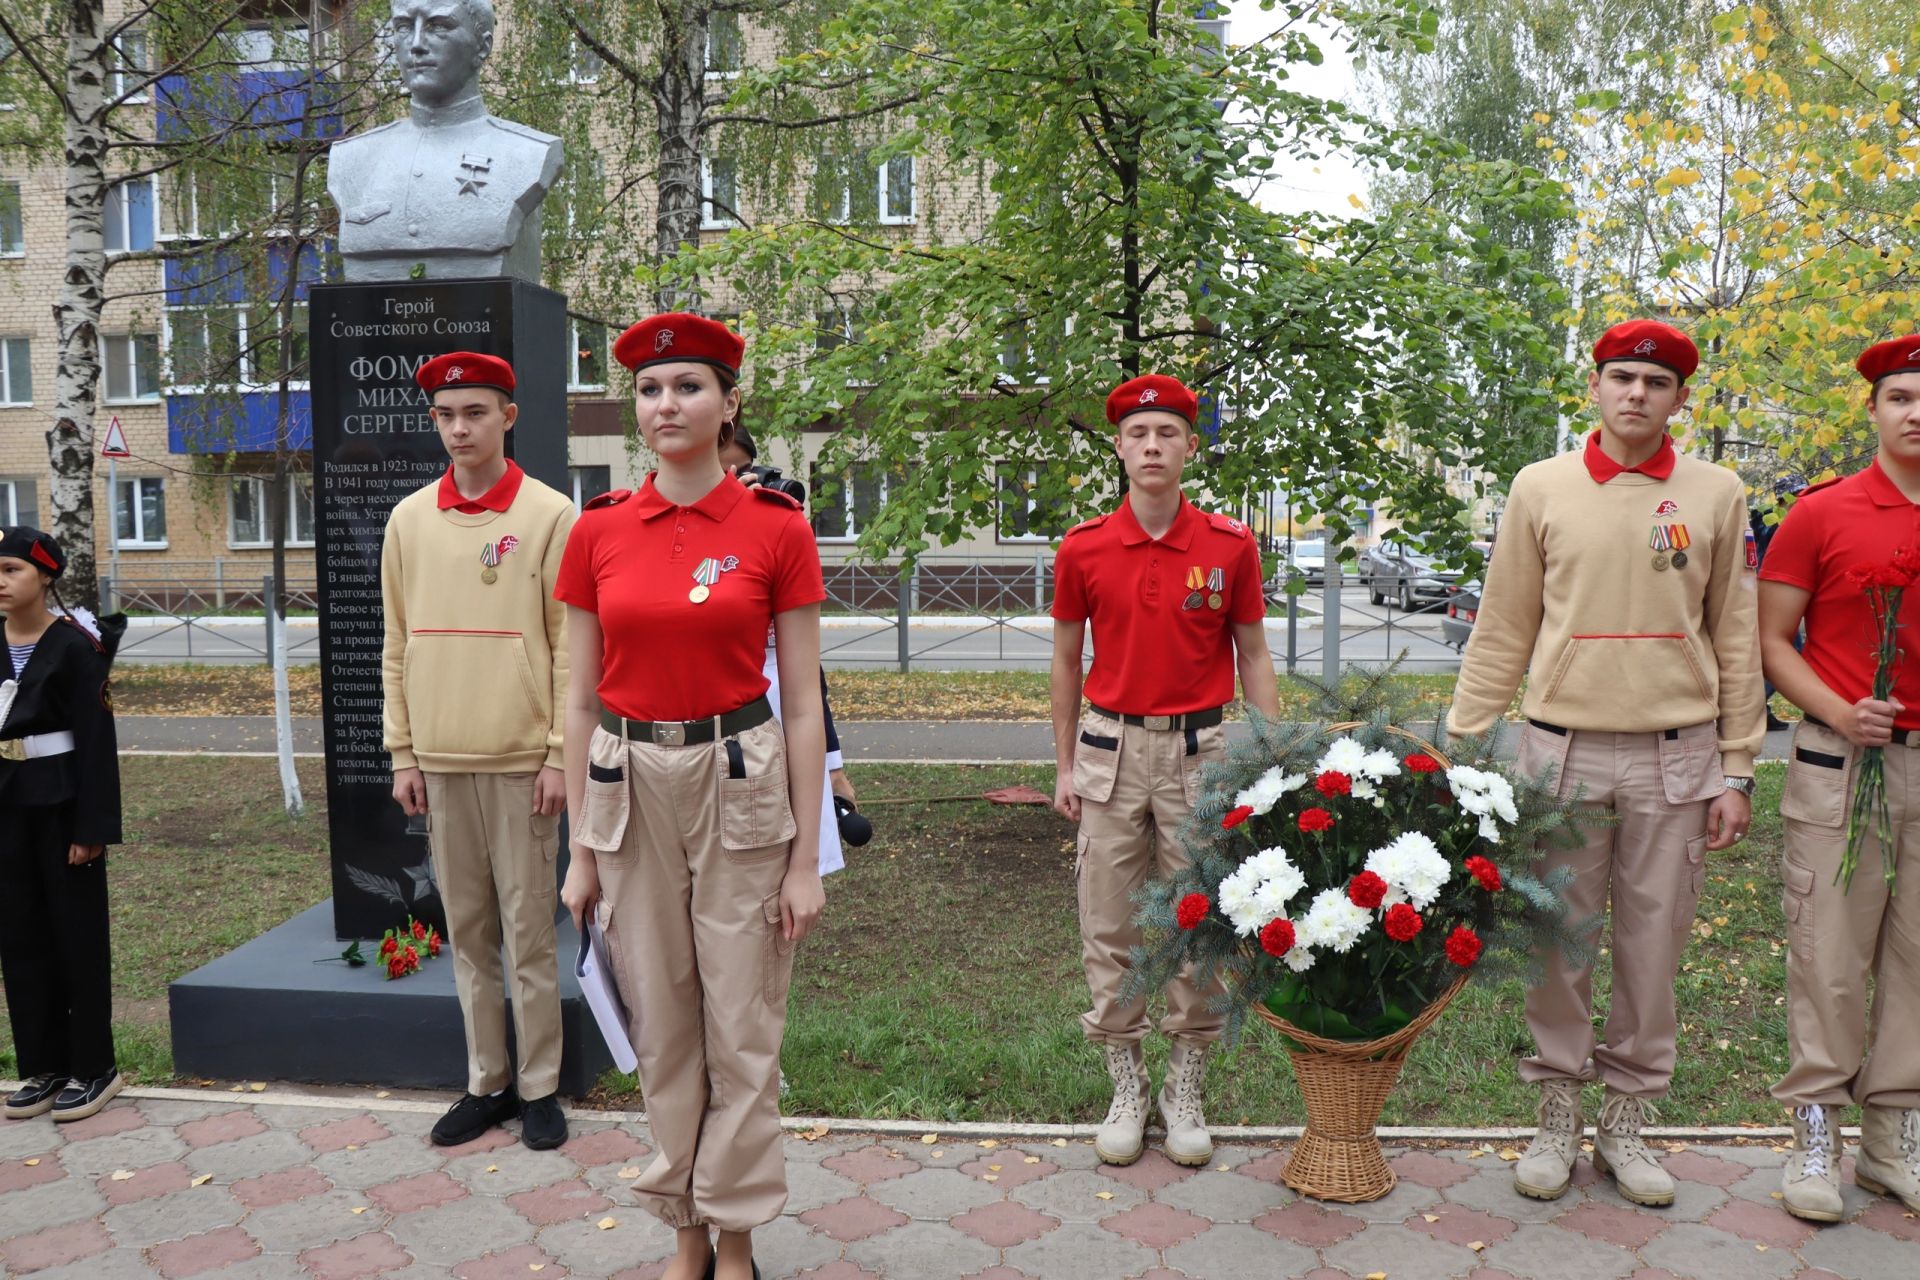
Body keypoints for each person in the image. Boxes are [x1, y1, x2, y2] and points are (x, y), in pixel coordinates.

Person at [1447, 319, 1765, 1207]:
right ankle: (1556, 1113)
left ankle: (1627, 1121)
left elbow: (1735, 634)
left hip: (1677, 754)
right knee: (1561, 941)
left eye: (1655, 384)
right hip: (1561, 751)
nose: (1636, 394)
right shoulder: (1541, 487)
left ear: (1679, 401)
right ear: (1594, 387)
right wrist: (1466, 742)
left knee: (1652, 946)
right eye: (1621, 377)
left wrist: (1738, 764)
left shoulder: (1715, 492)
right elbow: (1505, 620)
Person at [557, 311, 826, 1280]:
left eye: (688, 387)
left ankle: (740, 1230)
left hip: (740, 781)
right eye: (651, 390)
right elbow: (579, 697)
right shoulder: (597, 532)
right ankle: (683, 1228)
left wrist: (804, 861)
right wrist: (583, 853)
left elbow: (802, 707)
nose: (666, 405)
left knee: (743, 1026)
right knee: (662, 1025)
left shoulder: (776, 530)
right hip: (629, 786)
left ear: (728, 403)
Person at [1050, 373, 1282, 1168]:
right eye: (1138, 435)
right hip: (1109, 753)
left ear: (1190, 446)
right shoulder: (1083, 547)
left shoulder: (1228, 546)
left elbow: (1253, 653)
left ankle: (1185, 1080)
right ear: (1119, 447)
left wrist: (1271, 761)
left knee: (1198, 922)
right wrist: (1061, 765)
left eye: (1167, 434)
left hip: (1201, 754)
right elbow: (1063, 661)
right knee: (1108, 922)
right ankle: (1126, 1079)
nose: (1152, 447)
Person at [381, 351, 575, 1150]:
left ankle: (540, 1089)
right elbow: (395, 642)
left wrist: (561, 750)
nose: (459, 429)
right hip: (441, 758)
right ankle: (486, 1081)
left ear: (508, 415)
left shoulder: (550, 515)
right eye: (446, 415)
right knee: (467, 932)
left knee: (529, 930)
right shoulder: (409, 519)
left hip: (522, 761)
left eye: (475, 413)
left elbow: (569, 647)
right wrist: (402, 753)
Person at [1758, 335, 1920, 1222]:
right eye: (1901, 396)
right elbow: (1771, 640)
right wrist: (1839, 706)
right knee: (1829, 950)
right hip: (1840, 759)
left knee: (1917, 953)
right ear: (1873, 410)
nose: (1916, 413)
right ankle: (1815, 1132)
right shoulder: (1822, 513)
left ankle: (1894, 1139)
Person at [0, 527, 128, 1122]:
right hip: (6, 805)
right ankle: (44, 1064)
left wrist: (92, 826)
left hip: (61, 806)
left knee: (75, 935)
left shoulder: (77, 647)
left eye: (10, 570)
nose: (0, 583)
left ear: (45, 577)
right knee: (20, 935)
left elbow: (97, 744)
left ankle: (94, 1066)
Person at [718, 425, 860, 841]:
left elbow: (807, 680)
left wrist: (832, 767)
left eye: (744, 471)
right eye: (722, 474)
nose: (738, 483)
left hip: (781, 707)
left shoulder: (778, 532)